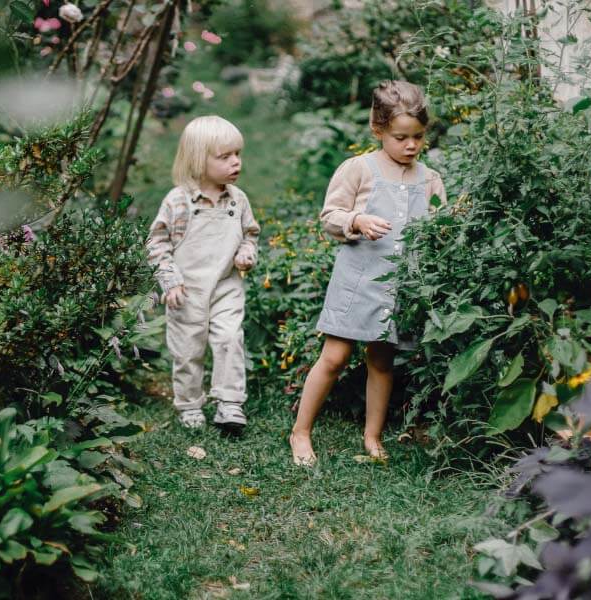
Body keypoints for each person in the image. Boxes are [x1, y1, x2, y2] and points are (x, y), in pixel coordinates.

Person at [288, 81, 446, 466]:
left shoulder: (430, 179)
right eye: (400, 137)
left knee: (382, 360)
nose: (410, 145)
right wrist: (356, 219)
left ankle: (372, 436)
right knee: (335, 356)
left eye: (418, 137)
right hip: (358, 279)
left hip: (401, 286)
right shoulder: (360, 169)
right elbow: (330, 216)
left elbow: (440, 226)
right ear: (378, 131)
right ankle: (301, 431)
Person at [146, 115, 260, 431]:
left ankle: (229, 403)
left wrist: (245, 253)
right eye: (225, 157)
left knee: (229, 339)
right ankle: (189, 403)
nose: (236, 162)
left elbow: (250, 233)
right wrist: (170, 280)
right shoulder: (179, 202)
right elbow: (157, 242)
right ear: (198, 160)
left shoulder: (238, 200)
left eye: (238, 154)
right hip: (187, 289)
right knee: (187, 350)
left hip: (226, 284)